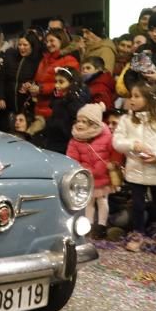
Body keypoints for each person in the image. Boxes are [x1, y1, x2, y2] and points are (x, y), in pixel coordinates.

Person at [112, 83, 156, 254]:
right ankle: (138, 233)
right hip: (136, 170)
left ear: (149, 99)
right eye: (131, 96)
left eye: (137, 96)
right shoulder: (127, 120)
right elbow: (117, 141)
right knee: (137, 204)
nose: (132, 100)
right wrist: (132, 144)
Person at [66, 102, 114, 239]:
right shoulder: (75, 140)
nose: (79, 124)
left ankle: (101, 226)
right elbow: (72, 159)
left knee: (102, 200)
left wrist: (106, 166)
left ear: (93, 123)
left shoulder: (106, 136)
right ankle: (88, 226)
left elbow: (111, 153)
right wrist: (86, 170)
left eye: (84, 122)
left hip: (102, 176)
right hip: (86, 178)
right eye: (78, 121)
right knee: (89, 202)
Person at [27, 30, 80, 135]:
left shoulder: (69, 60)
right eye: (47, 41)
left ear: (62, 40)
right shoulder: (45, 59)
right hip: (40, 108)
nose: (48, 44)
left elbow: (68, 85)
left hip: (56, 111)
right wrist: (32, 86)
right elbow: (39, 80)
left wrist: (41, 89)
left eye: (52, 41)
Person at [0, 31, 41, 123]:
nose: (21, 48)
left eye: (25, 45)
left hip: (26, 105)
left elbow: (38, 81)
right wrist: (1, 97)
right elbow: (2, 78)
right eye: (20, 44)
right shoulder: (11, 56)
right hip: (8, 104)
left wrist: (31, 85)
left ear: (32, 45)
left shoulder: (37, 60)